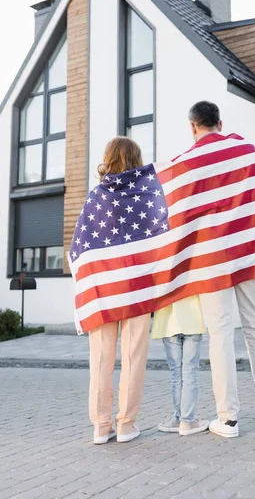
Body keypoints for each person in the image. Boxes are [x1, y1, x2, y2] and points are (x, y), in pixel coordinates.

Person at [188, 101, 255, 439]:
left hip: (212, 258)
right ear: (220, 123)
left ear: (194, 127)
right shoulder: (247, 152)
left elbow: (177, 209)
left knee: (221, 333)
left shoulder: (189, 162)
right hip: (251, 253)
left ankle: (227, 420)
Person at [85, 137, 151, 444]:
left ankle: (101, 426)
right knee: (134, 355)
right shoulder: (147, 195)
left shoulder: (96, 196)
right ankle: (125, 425)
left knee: (101, 358)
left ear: (107, 158)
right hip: (136, 287)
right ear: (137, 158)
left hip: (102, 288)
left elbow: (80, 248)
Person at [151, 295, 209, 436]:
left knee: (176, 373)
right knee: (190, 372)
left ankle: (178, 418)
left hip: (168, 322)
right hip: (192, 319)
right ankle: (188, 420)